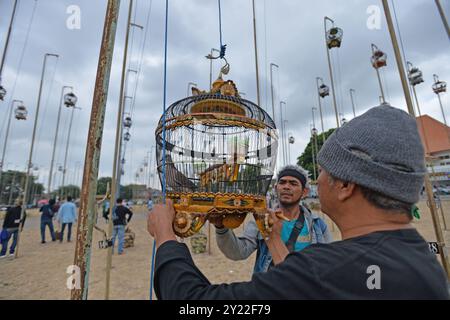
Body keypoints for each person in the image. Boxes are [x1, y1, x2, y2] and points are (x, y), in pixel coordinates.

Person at [147, 105, 450, 299]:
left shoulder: (326, 268)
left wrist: (165, 238)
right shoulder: (425, 263)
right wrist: (274, 240)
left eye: (322, 171)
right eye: (283, 182)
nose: (318, 181)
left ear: (344, 185)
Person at [214, 165, 332, 273]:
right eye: (282, 182)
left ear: (304, 192)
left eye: (293, 183)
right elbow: (239, 252)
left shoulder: (318, 225)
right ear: (276, 188)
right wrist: (221, 227)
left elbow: (328, 262)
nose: (286, 186)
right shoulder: (262, 219)